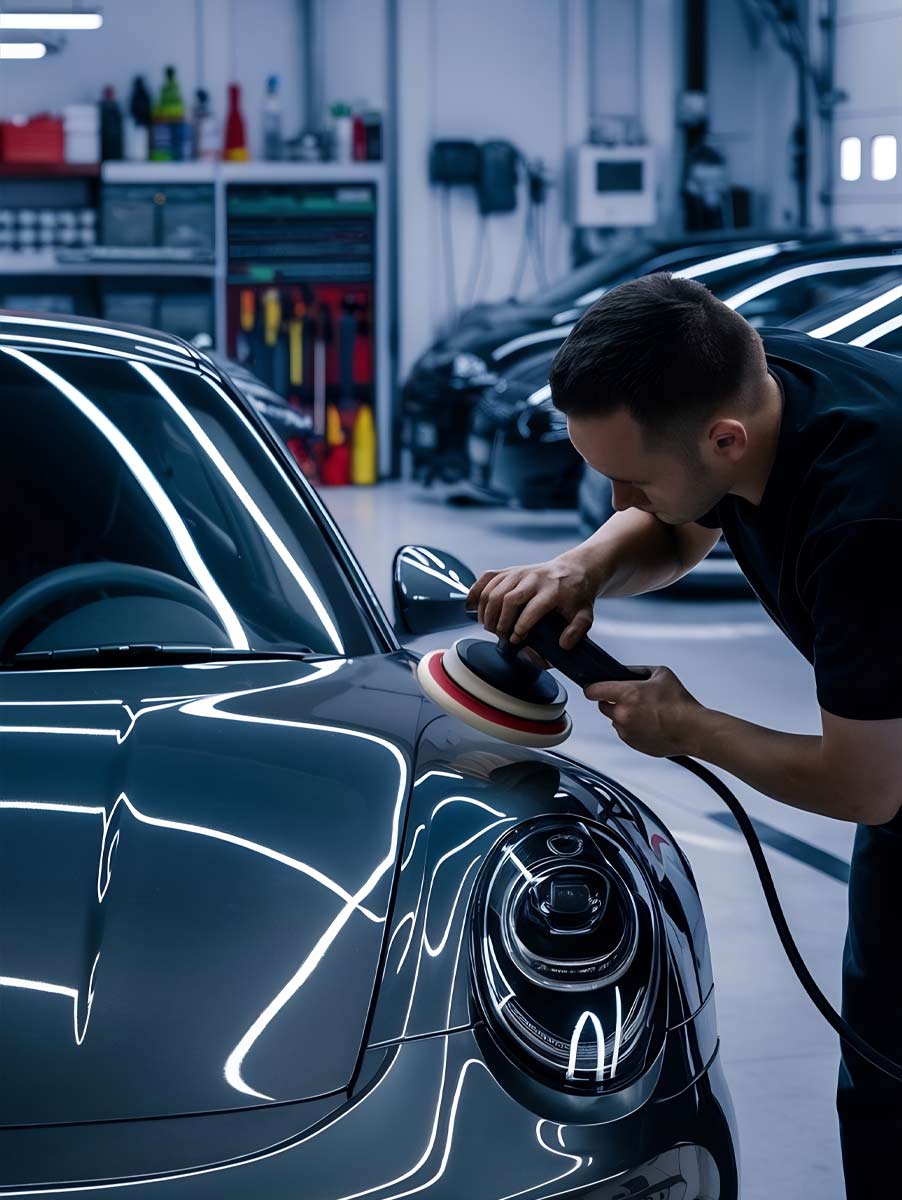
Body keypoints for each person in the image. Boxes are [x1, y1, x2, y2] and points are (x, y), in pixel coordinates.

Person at [465, 272, 902, 1199]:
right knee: (881, 1076)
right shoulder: (749, 377)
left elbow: (869, 784)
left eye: (632, 478)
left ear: (723, 440)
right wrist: (580, 569)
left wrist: (689, 727)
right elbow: (675, 526)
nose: (617, 496)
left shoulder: (866, 519)